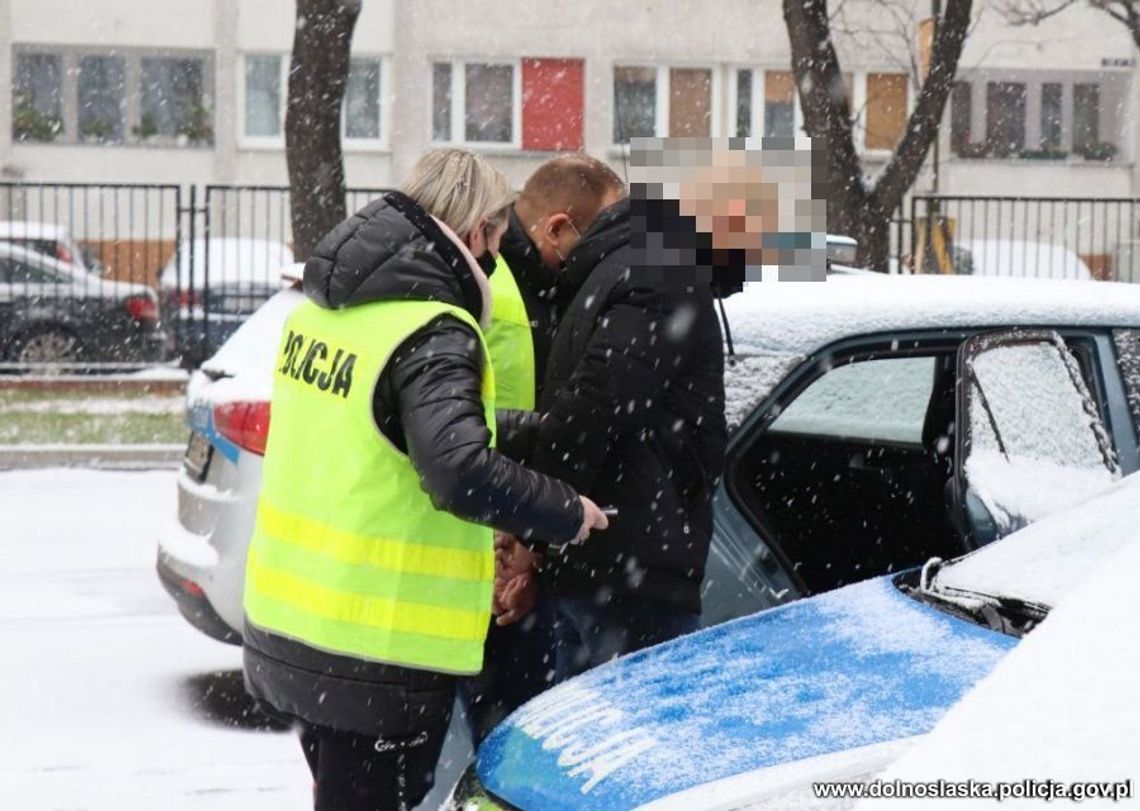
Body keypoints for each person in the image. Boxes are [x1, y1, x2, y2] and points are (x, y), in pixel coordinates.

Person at [241, 147, 608, 811]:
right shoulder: (434, 327)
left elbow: (392, 427)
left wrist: (525, 429)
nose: (498, 255)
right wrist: (565, 510)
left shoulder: (325, 311)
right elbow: (457, 469)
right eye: (496, 238)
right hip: (376, 647)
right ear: (476, 234)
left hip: (296, 623)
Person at [499, 151, 731, 683]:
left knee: (636, 751)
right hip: (619, 567)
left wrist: (532, 528)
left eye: (541, 251)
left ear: (558, 227)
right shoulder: (636, 271)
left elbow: (589, 416)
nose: (546, 270)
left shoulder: (648, 273)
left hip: (626, 575)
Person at [460, 155, 626, 743]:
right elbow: (494, 436)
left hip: (500, 549)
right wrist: (518, 549)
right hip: (497, 559)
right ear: (556, 227)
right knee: (509, 741)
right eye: (601, 232)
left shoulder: (517, 280)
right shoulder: (507, 294)